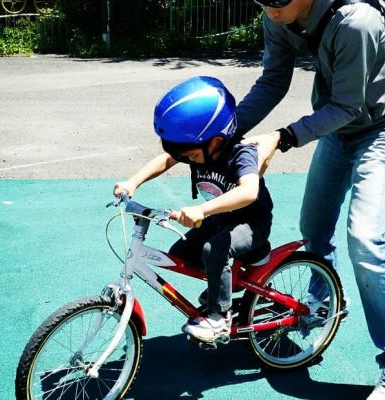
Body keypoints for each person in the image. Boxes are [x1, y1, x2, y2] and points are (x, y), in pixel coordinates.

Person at [235, 0, 385, 399]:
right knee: (314, 227)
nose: (269, 8)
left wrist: (282, 137)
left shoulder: (355, 22)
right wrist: (223, 129)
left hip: (383, 126)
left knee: (367, 238)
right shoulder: (279, 15)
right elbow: (273, 81)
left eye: (278, 0)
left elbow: (347, 105)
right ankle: (322, 303)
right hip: (339, 128)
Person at [114, 76, 276, 343]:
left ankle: (219, 315)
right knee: (182, 253)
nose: (186, 160)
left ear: (215, 141)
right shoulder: (199, 147)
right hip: (219, 218)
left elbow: (249, 191)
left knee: (214, 250)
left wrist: (202, 209)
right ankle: (224, 285)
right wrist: (133, 182)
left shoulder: (241, 153)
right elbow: (167, 159)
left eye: (189, 156)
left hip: (251, 222)